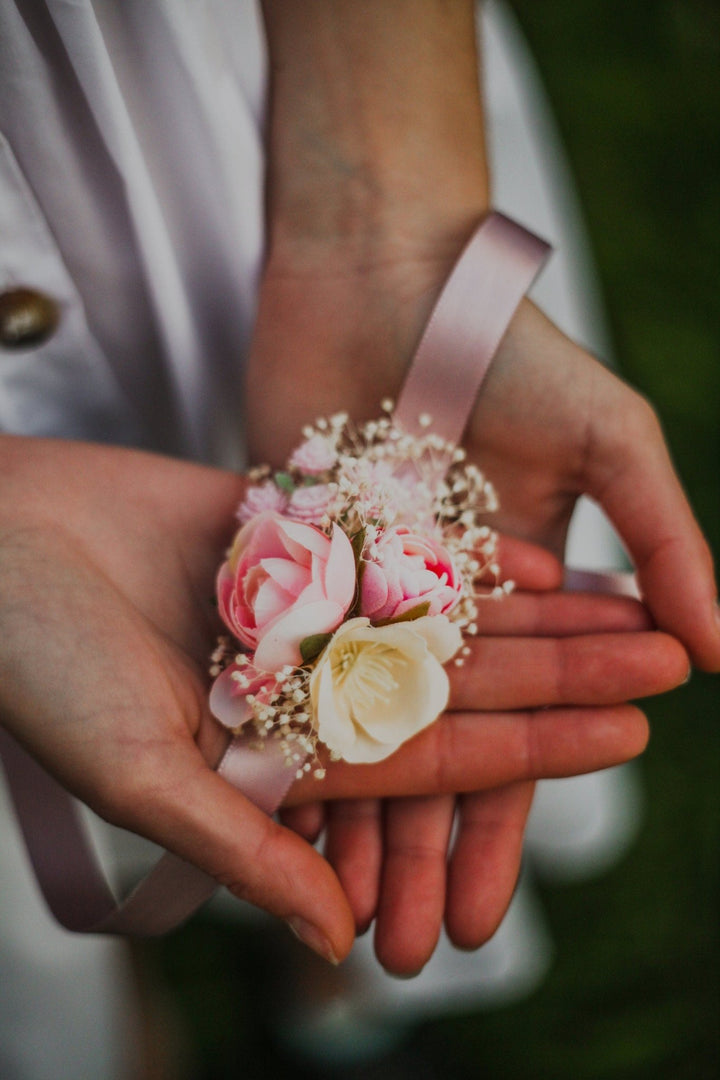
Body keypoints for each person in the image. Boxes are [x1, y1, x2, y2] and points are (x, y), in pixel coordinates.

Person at [0, 1, 716, 1076]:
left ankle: (322, 959)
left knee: (320, 805)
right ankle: (117, 1020)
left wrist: (396, 228)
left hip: (271, 131)